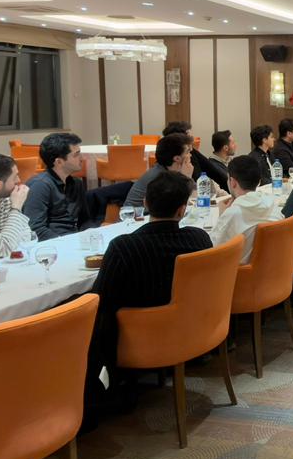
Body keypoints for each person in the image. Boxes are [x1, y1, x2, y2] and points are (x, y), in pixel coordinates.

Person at [84, 171, 212, 420]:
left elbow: (101, 300)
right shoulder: (199, 239)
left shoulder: (124, 247)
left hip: (137, 337)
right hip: (192, 328)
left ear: (145, 203)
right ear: (182, 210)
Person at [210, 154, 281, 263]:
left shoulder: (233, 214)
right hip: (274, 267)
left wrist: (222, 215)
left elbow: (212, 249)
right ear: (259, 181)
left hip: (241, 272)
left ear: (233, 182)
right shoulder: (272, 205)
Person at [22, 131, 88, 240]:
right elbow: (35, 228)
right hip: (52, 244)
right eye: (76, 155)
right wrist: (64, 242)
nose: (82, 158)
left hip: (74, 239)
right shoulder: (40, 186)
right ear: (59, 162)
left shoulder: (77, 183)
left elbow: (85, 219)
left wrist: (89, 234)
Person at [123, 132, 193, 209]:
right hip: (136, 214)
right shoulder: (159, 177)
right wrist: (186, 177)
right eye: (188, 152)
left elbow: (194, 193)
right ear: (177, 158)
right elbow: (174, 205)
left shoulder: (171, 170)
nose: (190, 155)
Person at [164, 121, 226, 194]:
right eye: (189, 135)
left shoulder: (192, 153)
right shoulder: (166, 169)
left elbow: (213, 172)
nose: (193, 138)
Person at [203, 129, 236, 194]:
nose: (235, 145)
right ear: (225, 148)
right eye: (233, 143)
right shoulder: (211, 167)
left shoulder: (232, 161)